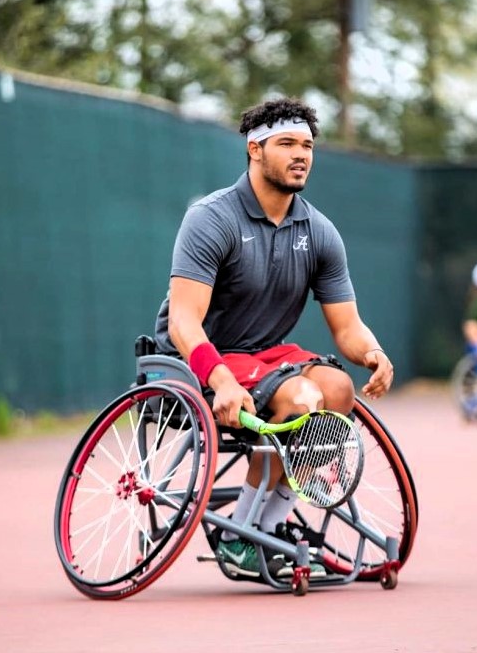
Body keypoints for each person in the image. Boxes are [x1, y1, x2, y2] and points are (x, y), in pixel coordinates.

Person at [153, 97, 394, 579]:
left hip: (268, 358)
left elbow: (346, 327)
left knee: (339, 389)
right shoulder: (212, 218)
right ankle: (242, 535)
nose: (300, 154)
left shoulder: (319, 231)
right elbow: (183, 322)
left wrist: (373, 352)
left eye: (307, 145)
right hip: (203, 356)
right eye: (286, 143)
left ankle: (268, 524)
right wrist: (220, 380)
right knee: (303, 397)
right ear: (255, 149)